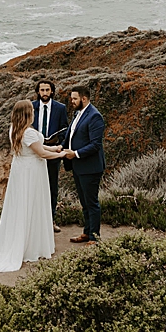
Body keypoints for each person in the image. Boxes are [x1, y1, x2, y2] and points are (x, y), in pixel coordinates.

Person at [0, 100, 61, 273]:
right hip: (32, 171)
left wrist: (55, 148)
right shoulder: (29, 132)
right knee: (32, 204)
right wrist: (63, 154)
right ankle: (31, 246)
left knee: (23, 205)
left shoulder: (15, 129)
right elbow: (40, 153)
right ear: (28, 114)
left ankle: (27, 241)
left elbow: (38, 147)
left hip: (22, 169)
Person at [64, 86, 106, 243]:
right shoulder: (78, 113)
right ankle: (87, 232)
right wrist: (61, 148)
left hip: (90, 167)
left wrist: (74, 153)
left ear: (84, 98)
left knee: (91, 202)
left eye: (74, 98)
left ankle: (94, 237)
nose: (72, 101)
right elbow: (71, 136)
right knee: (84, 202)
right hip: (78, 166)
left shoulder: (95, 116)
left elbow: (95, 144)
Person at [31, 78, 70, 228]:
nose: (45, 93)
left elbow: (64, 128)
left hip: (53, 152)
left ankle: (50, 220)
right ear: (38, 91)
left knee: (51, 187)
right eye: (42, 90)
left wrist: (60, 145)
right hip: (35, 152)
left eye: (47, 90)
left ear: (52, 91)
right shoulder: (32, 106)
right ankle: (35, 221)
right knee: (35, 187)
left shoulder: (60, 108)